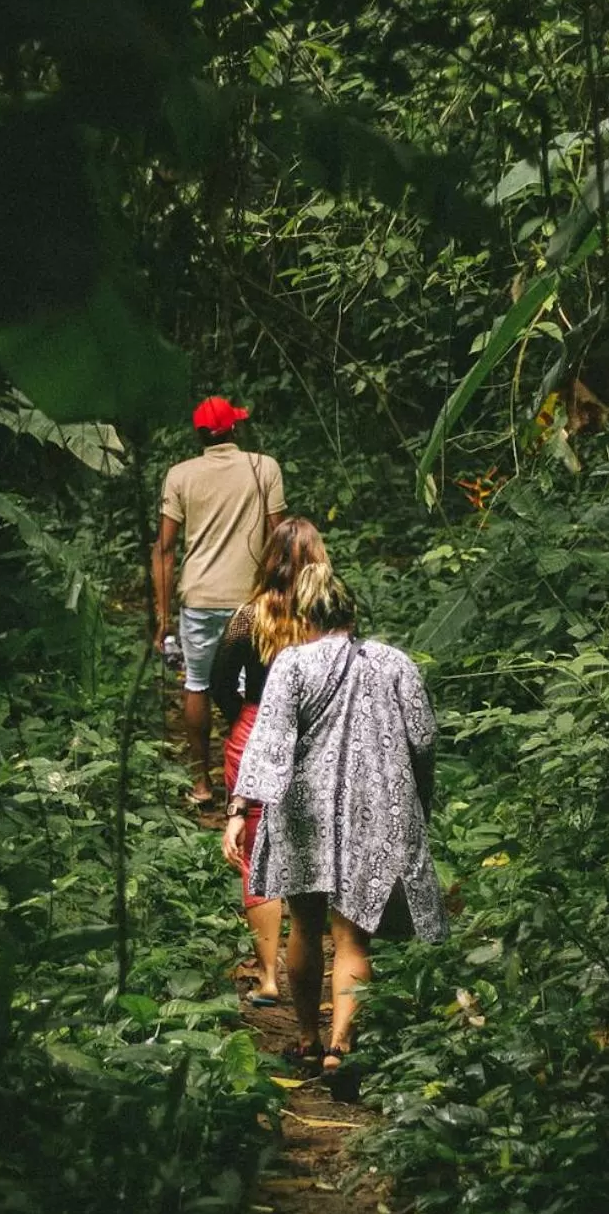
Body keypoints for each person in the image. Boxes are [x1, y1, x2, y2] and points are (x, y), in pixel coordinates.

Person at [223, 567, 447, 1077]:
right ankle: (340, 1047)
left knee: (304, 925)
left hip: (304, 812)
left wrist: (239, 811)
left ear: (305, 616)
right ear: (351, 612)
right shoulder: (396, 663)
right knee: (352, 937)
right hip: (374, 807)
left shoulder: (292, 664)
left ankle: (306, 1038)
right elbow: (424, 738)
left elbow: (269, 744)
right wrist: (417, 796)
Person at [210, 518, 332, 1006]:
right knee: (316, 840)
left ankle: (267, 977)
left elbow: (220, 679)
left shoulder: (249, 616)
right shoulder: (330, 616)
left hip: (256, 726)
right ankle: (317, 969)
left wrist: (244, 716)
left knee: (256, 847)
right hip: (315, 732)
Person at [152, 396, 287, 806]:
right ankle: (245, 786)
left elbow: (165, 548)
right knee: (253, 690)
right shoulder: (264, 467)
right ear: (235, 428)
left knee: (197, 683)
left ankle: (200, 786)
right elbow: (280, 538)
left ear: (199, 435)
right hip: (250, 599)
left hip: (199, 598)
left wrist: (162, 615)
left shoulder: (180, 475)